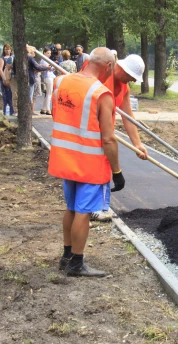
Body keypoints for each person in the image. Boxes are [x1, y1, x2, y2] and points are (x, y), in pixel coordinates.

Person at [48, 47, 124, 277]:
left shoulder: (60, 82)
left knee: (71, 208)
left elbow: (57, 115)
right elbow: (109, 139)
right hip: (90, 163)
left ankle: (66, 255)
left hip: (64, 158)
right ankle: (76, 264)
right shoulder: (101, 94)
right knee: (83, 211)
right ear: (109, 67)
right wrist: (117, 171)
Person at [90, 54, 149, 222]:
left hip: (106, 128)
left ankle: (96, 206)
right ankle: (96, 207)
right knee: (98, 167)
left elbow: (128, 117)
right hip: (92, 128)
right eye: (131, 76)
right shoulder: (102, 79)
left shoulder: (124, 87)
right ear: (121, 68)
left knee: (104, 164)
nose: (133, 80)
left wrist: (137, 144)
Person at [27, 46, 48, 115]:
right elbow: (37, 67)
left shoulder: (21, 58)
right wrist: (46, 67)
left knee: (29, 96)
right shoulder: (30, 58)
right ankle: (29, 112)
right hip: (31, 79)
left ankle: (28, 111)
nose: (35, 54)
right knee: (30, 96)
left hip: (24, 79)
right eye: (34, 52)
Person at [0, 44, 15, 116]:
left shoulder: (13, 57)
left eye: (8, 49)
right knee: (5, 95)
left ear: (11, 50)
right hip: (5, 78)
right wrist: (4, 78)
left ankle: (12, 111)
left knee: (12, 95)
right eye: (6, 49)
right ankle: (6, 111)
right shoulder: (2, 58)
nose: (7, 51)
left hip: (12, 78)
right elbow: (0, 69)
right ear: (4, 50)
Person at [40, 47, 55, 115]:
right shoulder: (44, 60)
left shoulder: (45, 60)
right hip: (48, 77)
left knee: (48, 94)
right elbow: (49, 68)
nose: (49, 54)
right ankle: (48, 109)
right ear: (44, 53)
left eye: (50, 53)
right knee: (49, 93)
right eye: (48, 53)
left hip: (48, 77)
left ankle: (44, 108)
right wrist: (51, 67)